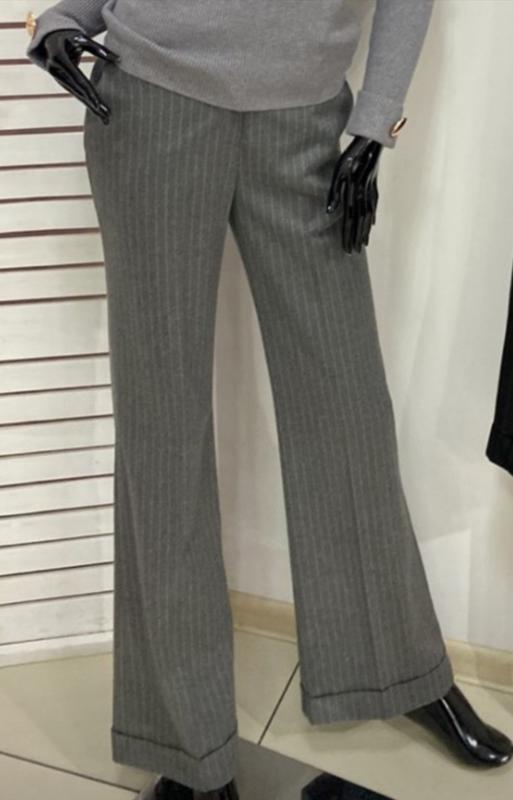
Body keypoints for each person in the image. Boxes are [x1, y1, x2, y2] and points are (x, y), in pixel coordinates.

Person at [25, 2, 513, 797]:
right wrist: (63, 16)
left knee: (346, 407)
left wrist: (374, 120)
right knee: (161, 421)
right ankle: (188, 743)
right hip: (149, 106)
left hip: (305, 122)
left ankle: (396, 668)